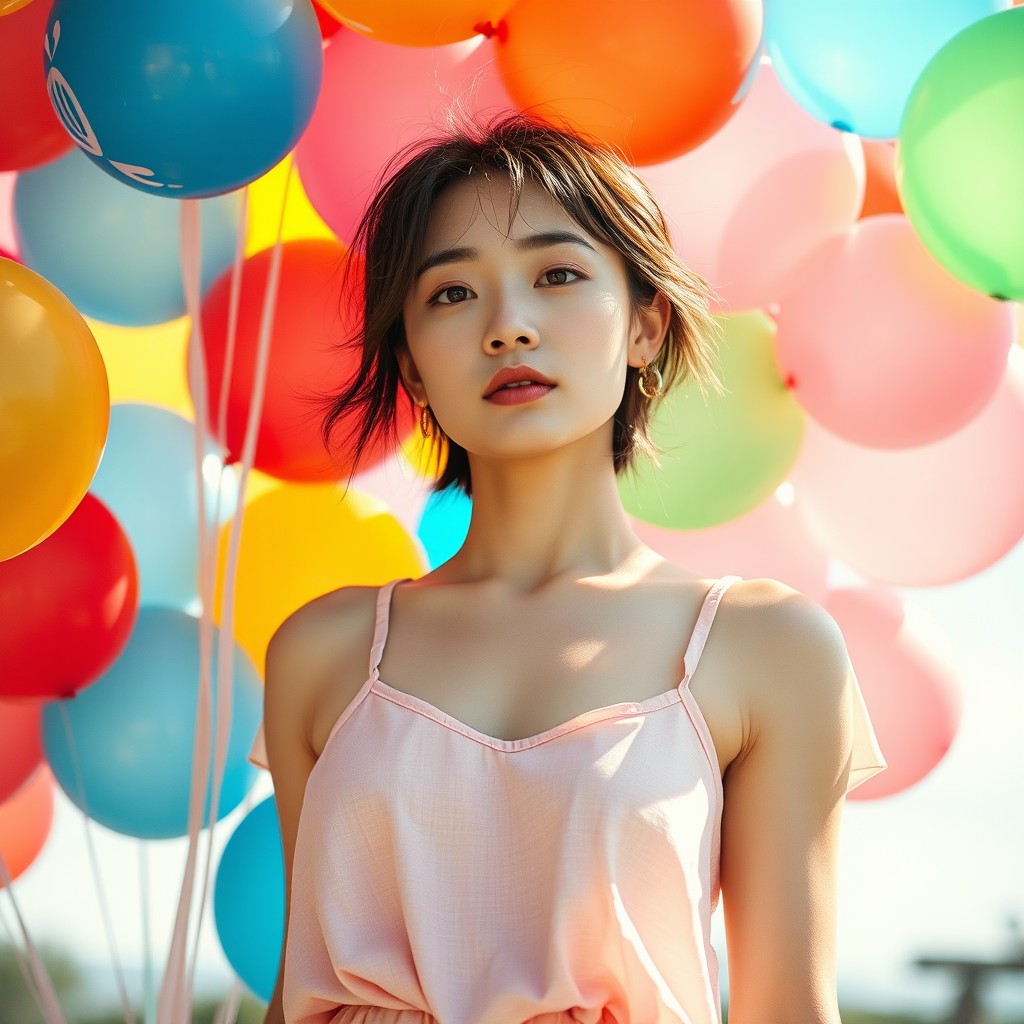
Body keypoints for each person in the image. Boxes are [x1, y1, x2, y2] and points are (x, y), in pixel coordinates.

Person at [251, 112, 887, 1024]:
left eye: (557, 276)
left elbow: (787, 1008)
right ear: (413, 370)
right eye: (450, 295)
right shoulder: (325, 649)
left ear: (645, 324)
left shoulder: (766, 646)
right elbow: (299, 989)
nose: (509, 328)